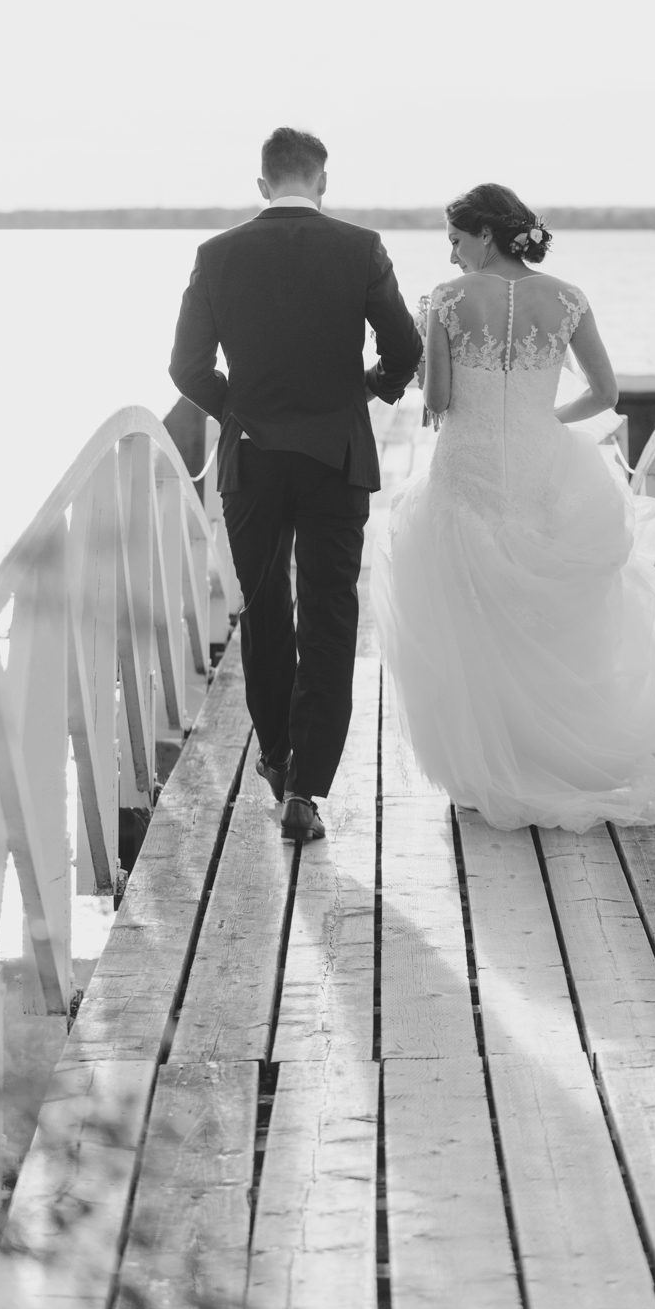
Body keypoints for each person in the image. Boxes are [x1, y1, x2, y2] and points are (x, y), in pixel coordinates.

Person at [372, 183, 655, 832]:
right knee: (546, 614)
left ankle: (489, 768)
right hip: (539, 461)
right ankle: (554, 751)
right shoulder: (567, 298)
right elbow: (605, 393)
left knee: (468, 613)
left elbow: (440, 398)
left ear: (482, 234)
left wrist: (425, 358)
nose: (450, 256)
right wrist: (545, 419)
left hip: (466, 465)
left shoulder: (444, 301)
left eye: (454, 240)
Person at [169, 127, 422, 842]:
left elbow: (186, 367)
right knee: (329, 613)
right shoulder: (360, 247)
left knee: (264, 609)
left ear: (261, 184)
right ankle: (306, 791)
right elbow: (402, 346)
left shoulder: (217, 254)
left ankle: (276, 756)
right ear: (321, 182)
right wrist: (370, 390)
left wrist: (239, 410)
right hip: (335, 459)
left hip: (251, 459)